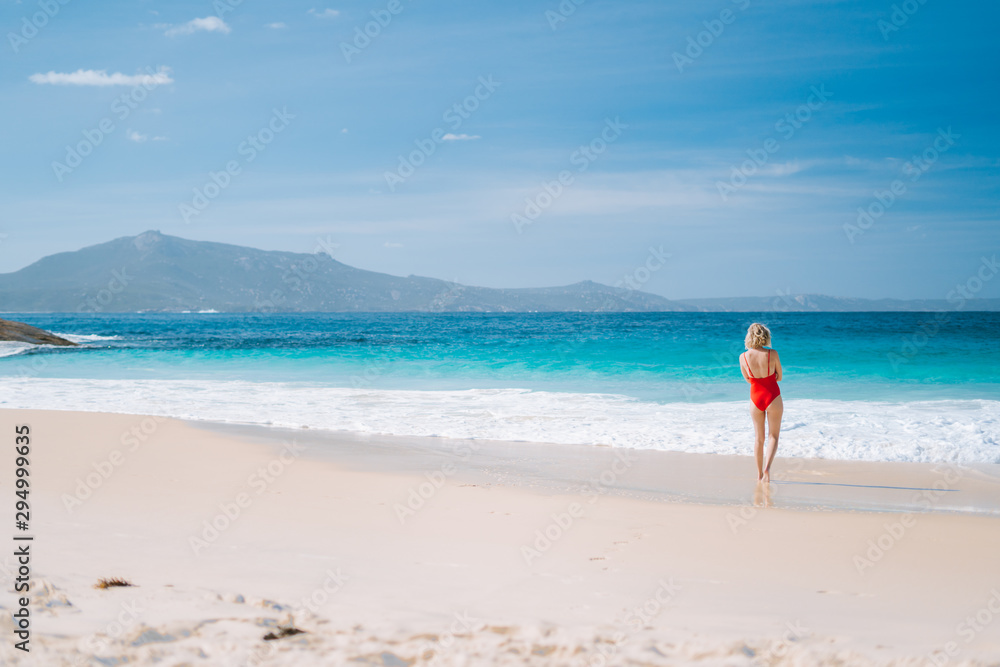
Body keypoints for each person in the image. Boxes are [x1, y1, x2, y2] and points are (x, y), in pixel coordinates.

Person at [738, 323, 783, 483]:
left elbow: (748, 380)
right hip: (773, 395)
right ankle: (767, 469)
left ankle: (758, 474)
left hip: (755, 398)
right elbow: (780, 376)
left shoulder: (743, 357)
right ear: (765, 336)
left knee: (759, 438)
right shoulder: (772, 353)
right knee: (773, 436)